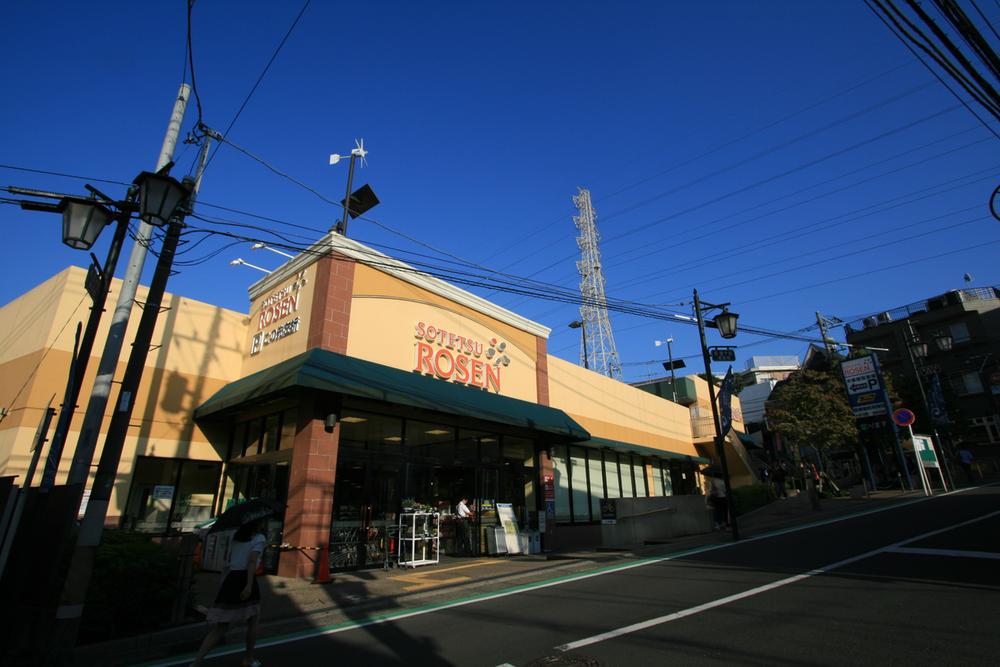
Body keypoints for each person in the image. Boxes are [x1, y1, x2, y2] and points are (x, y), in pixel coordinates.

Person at [191, 518, 267, 667]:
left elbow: (230, 559)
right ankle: (248, 658)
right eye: (262, 521)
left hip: (231, 579)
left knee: (221, 626)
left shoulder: (236, 538)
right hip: (245, 578)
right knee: (253, 621)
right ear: (257, 524)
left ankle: (196, 662)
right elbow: (252, 562)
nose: (264, 523)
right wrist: (249, 586)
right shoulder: (259, 538)